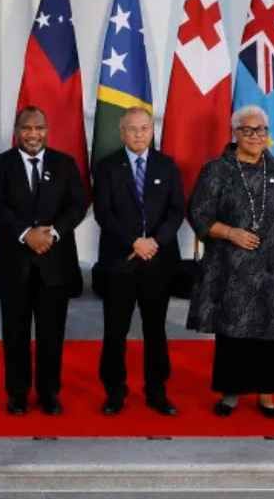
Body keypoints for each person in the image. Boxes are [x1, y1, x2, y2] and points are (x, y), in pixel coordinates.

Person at [186, 104, 274, 419]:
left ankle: (267, 395)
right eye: (248, 130)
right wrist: (231, 233)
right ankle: (231, 393)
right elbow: (198, 214)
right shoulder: (217, 170)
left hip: (273, 270)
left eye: (261, 130)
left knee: (271, 333)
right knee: (233, 333)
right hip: (231, 269)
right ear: (235, 133)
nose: (255, 136)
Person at [0, 106, 86, 416]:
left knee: (51, 334)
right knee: (14, 334)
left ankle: (49, 393)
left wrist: (52, 233)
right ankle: (17, 394)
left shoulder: (65, 164)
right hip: (14, 264)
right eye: (26, 128)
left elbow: (78, 205)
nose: (33, 134)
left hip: (55, 263)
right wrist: (26, 234)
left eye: (39, 128)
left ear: (47, 130)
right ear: (17, 131)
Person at [91, 106, 183, 417]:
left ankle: (157, 391)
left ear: (152, 131)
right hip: (120, 261)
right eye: (132, 129)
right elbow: (104, 213)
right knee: (115, 331)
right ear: (122, 133)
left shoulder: (167, 166)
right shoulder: (106, 167)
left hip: (158, 261)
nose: (139, 134)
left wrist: (154, 242)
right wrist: (134, 241)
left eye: (144, 128)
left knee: (155, 330)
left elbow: (176, 211)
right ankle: (114, 392)